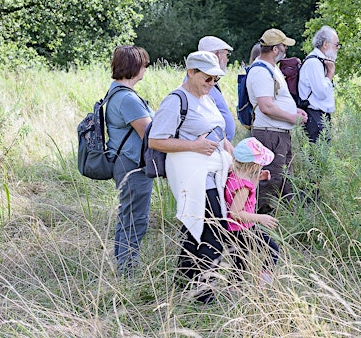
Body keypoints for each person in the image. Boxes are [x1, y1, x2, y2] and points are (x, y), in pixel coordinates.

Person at [148, 51, 234, 302]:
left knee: (195, 228)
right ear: (191, 72)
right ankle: (204, 293)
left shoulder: (206, 98)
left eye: (215, 80)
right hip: (194, 175)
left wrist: (232, 156)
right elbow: (156, 140)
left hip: (214, 174)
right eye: (207, 79)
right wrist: (194, 146)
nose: (211, 84)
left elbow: (217, 132)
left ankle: (183, 281)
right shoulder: (175, 100)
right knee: (216, 231)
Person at [246, 29, 307, 213]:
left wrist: (293, 109)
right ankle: (258, 227)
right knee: (268, 182)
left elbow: (274, 100)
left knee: (286, 181)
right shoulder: (260, 71)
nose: (285, 49)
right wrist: (291, 117)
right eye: (283, 46)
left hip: (278, 133)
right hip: (269, 134)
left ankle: (288, 223)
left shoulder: (271, 68)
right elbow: (266, 106)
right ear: (274, 49)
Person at [105, 45, 154, 276]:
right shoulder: (127, 98)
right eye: (143, 63)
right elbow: (150, 135)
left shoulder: (117, 93)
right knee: (136, 219)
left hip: (124, 162)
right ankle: (128, 270)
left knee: (128, 215)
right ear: (134, 66)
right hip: (133, 164)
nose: (146, 68)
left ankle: (124, 266)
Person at [224, 137, 281, 284]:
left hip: (237, 229)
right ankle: (263, 283)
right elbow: (235, 213)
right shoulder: (243, 187)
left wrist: (257, 178)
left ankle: (234, 288)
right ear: (252, 165)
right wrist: (260, 218)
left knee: (239, 262)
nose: (262, 165)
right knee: (272, 250)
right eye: (260, 163)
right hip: (242, 229)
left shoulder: (235, 176)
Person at [298, 26, 338, 143]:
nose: (337, 48)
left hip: (320, 117)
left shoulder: (320, 62)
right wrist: (330, 73)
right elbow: (321, 93)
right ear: (325, 44)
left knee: (323, 156)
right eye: (336, 45)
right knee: (317, 157)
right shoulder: (314, 63)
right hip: (315, 116)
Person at [198, 35, 237, 141]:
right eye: (226, 54)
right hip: (209, 146)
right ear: (217, 55)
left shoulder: (210, 80)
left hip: (219, 145)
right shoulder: (199, 82)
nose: (227, 59)